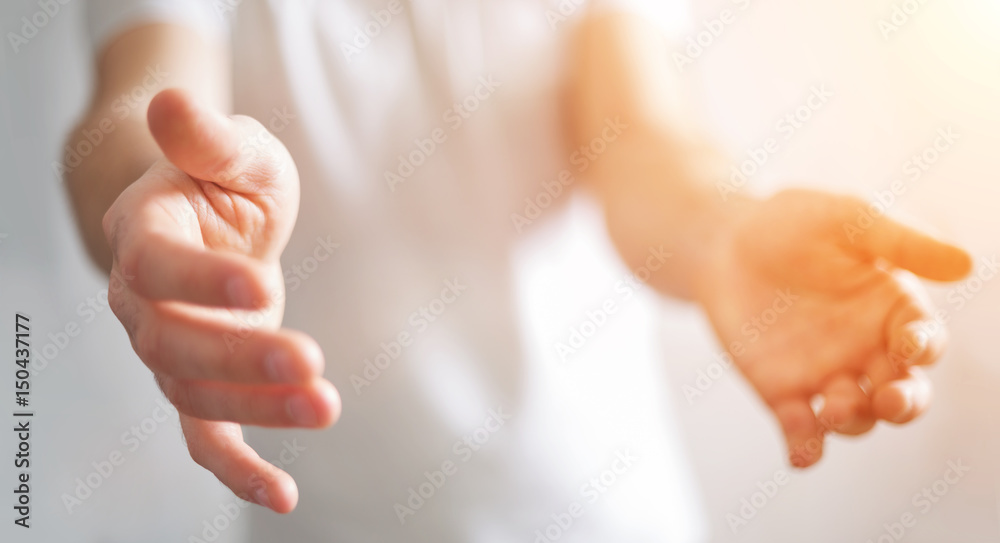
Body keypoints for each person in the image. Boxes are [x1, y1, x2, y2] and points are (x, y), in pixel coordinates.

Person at [65, 0, 971, 540]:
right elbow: (135, 106)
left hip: (615, 517)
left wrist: (725, 231)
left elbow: (645, 147)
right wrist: (155, 198)